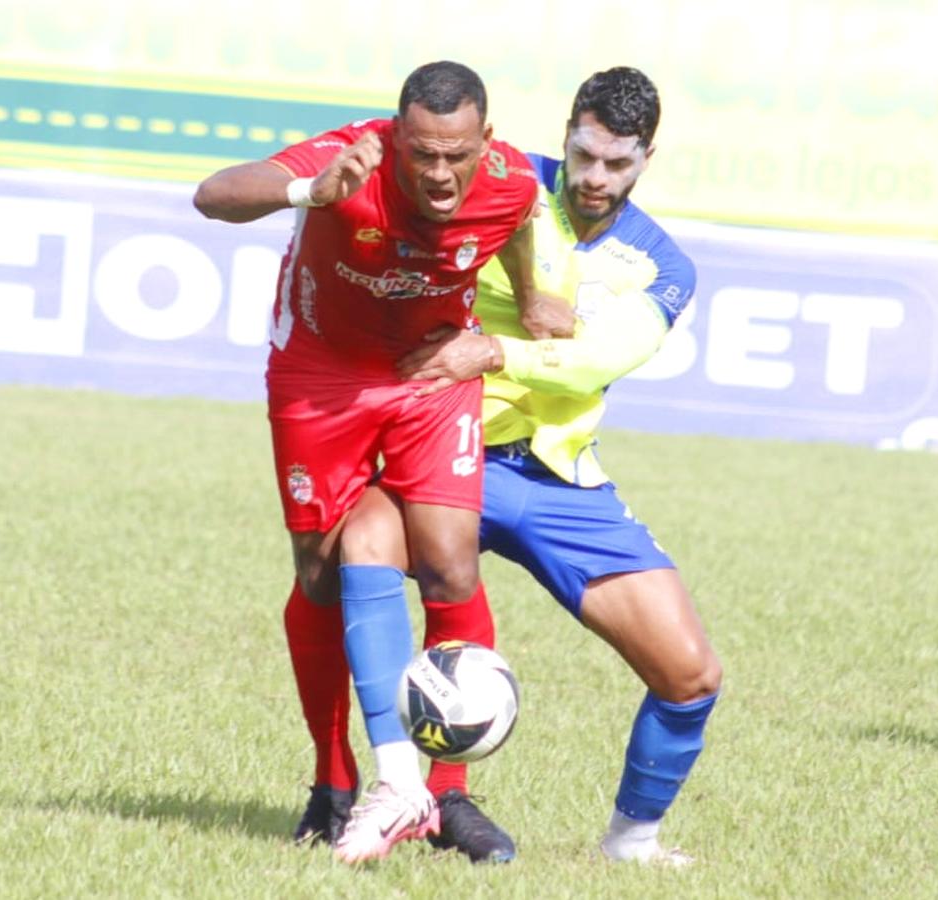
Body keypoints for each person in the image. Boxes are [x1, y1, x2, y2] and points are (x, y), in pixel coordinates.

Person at [301, 65, 724, 866]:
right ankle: (390, 787)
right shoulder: (498, 181)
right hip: (447, 448)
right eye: (584, 155)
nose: (595, 179)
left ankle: (632, 841)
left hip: (562, 480)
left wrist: (493, 349)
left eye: (617, 164)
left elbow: (602, 357)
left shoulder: (664, 267)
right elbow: (407, 150)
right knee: (357, 548)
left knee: (691, 674)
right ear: (566, 133)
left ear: (646, 159)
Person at [193, 61, 553, 864]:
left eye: (455, 155)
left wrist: (527, 296)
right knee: (320, 575)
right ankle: (332, 782)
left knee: (451, 570)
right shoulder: (349, 159)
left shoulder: (510, 180)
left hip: (430, 378)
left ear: (484, 142)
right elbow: (214, 195)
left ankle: (446, 799)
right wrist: (308, 193)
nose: (438, 173)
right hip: (321, 374)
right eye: (421, 153)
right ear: (395, 137)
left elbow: (521, 217)